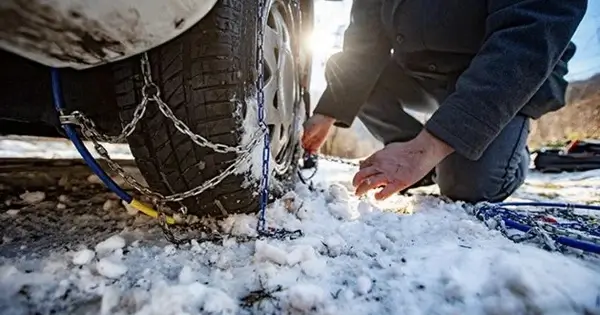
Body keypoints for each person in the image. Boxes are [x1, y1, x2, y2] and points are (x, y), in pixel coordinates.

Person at [301, 0, 587, 203]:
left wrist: (428, 148)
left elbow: (529, 36)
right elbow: (363, 45)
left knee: (468, 186)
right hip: (423, 76)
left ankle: (508, 148)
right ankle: (418, 160)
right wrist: (328, 110)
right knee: (344, 68)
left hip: (502, 78)